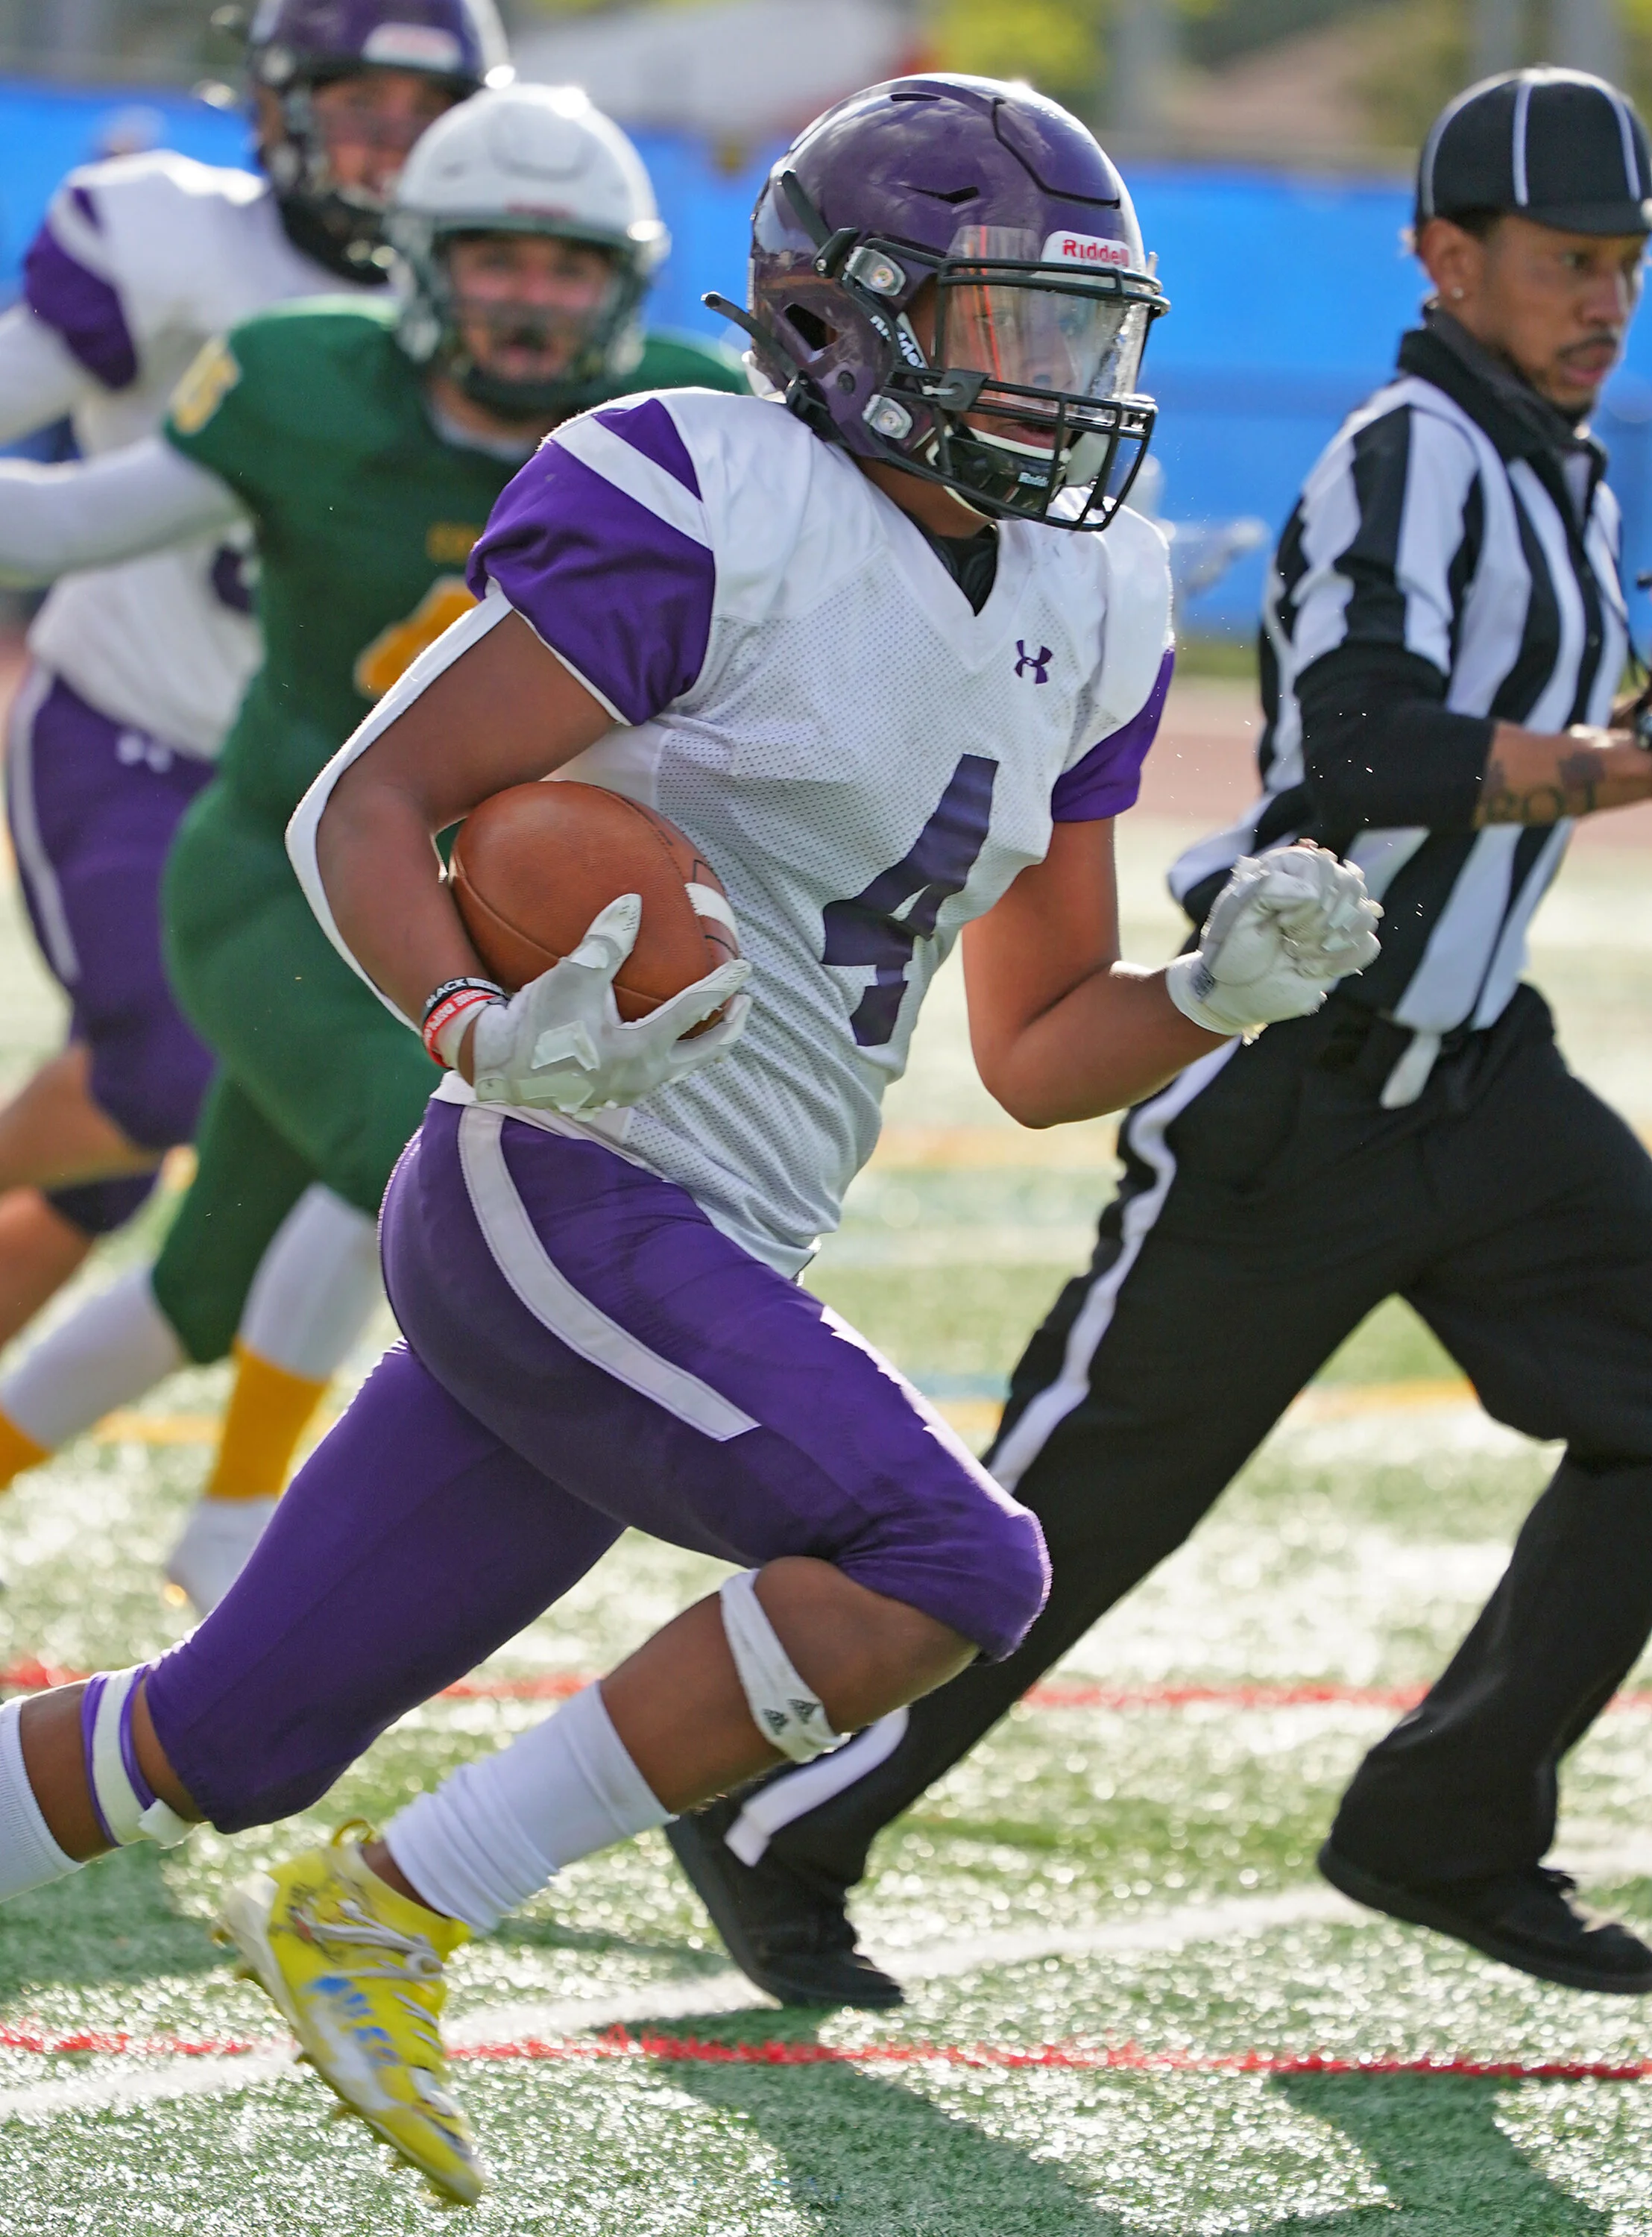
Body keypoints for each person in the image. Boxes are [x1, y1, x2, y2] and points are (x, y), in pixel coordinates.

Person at [0, 75, 1376, 2206]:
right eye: (1015, 327)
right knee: (950, 1559)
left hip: (717, 1233)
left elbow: (1030, 1046)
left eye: (1092, 331)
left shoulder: (1091, 600)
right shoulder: (706, 495)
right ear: (851, 328)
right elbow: (363, 806)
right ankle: (405, 1907)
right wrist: (468, 1015)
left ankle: (310, 1858)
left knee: (219, 1736)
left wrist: (1216, 996)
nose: (1071, 384)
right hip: (568, 1174)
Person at [663, 63, 1652, 2014]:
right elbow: (1366, 740)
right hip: (1295, 1069)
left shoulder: (1568, 463)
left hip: (1475, 1071)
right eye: (1565, 260)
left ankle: (1444, 1826)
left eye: (1625, 261)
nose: (1604, 296)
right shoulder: (1403, 452)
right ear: (1444, 257)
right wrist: (1608, 770)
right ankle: (775, 1819)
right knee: (1070, 1514)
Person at [0, 81, 746, 1612]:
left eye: (563, 267)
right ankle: (235, 1526)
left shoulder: (683, 427)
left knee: (205, 1287)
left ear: (621, 281)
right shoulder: (300, 384)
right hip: (275, 880)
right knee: (417, 1141)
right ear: (418, 262)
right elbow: (62, 529)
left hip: (466, 903)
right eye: (493, 258)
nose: (529, 301)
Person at [0, 0, 505, 1595]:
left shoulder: (505, 301)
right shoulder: (168, 240)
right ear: (274, 108)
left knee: (119, 1189)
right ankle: (233, 1538)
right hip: (138, 729)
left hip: (347, 792)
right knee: (158, 1073)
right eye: (349, 102)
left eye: (418, 108)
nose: (383, 142)